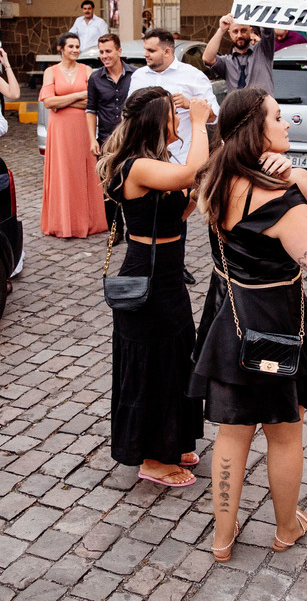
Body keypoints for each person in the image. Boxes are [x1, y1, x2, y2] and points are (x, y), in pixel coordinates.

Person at [190, 87, 307, 562]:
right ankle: (285, 529)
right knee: (284, 430)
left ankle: (222, 538)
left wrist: (295, 170)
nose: (287, 124)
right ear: (257, 131)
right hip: (278, 322)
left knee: (232, 432)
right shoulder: (278, 202)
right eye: (279, 118)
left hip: (229, 315)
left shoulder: (217, 176)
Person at [98, 87, 212, 487]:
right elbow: (189, 173)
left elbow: (177, 209)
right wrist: (200, 123)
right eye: (174, 114)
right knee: (151, 366)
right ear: (158, 121)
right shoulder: (137, 166)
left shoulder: (156, 161)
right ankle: (150, 458)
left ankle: (173, 440)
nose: (179, 120)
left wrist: (191, 197)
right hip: (146, 280)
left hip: (168, 275)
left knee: (176, 358)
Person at [130, 28, 220, 284]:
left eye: (151, 50)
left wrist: (191, 103)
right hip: (146, 157)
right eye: (145, 49)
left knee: (177, 211)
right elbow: (130, 115)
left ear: (167, 51)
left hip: (182, 156)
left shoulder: (192, 76)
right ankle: (145, 262)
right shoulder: (138, 77)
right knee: (146, 210)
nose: (145, 54)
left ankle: (175, 265)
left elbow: (214, 115)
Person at [40, 32, 107, 238]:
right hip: (59, 130)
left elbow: (91, 102)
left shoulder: (87, 70)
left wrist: (62, 101)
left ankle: (86, 221)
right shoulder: (51, 72)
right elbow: (48, 102)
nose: (75, 50)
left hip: (81, 127)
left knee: (83, 169)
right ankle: (62, 222)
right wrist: (78, 95)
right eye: (71, 46)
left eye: (77, 46)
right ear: (61, 49)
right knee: (63, 170)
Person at [87, 33, 137, 229]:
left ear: (119, 51)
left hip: (132, 140)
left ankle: (133, 228)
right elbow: (91, 110)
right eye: (101, 52)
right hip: (106, 141)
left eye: (108, 51)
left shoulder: (135, 75)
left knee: (132, 185)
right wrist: (92, 139)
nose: (104, 56)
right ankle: (115, 229)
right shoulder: (95, 78)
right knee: (108, 187)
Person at [202, 13, 276, 94]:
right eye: (235, 31)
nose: (239, 35)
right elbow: (207, 58)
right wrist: (221, 30)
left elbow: (267, 31)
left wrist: (260, 13)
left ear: (250, 31)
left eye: (243, 30)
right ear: (230, 33)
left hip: (261, 106)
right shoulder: (227, 62)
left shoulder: (263, 52)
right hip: (236, 106)